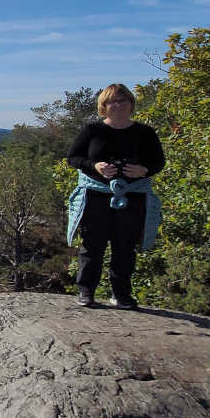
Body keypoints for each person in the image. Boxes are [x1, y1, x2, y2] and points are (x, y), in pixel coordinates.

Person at [64, 83, 164, 309]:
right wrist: (95, 166)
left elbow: (158, 162)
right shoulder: (92, 131)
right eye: (112, 101)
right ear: (103, 106)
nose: (118, 105)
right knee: (92, 245)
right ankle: (86, 292)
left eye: (123, 100)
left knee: (125, 247)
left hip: (133, 197)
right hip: (96, 196)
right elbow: (73, 158)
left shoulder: (145, 132)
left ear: (131, 104)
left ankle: (121, 295)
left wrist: (143, 170)